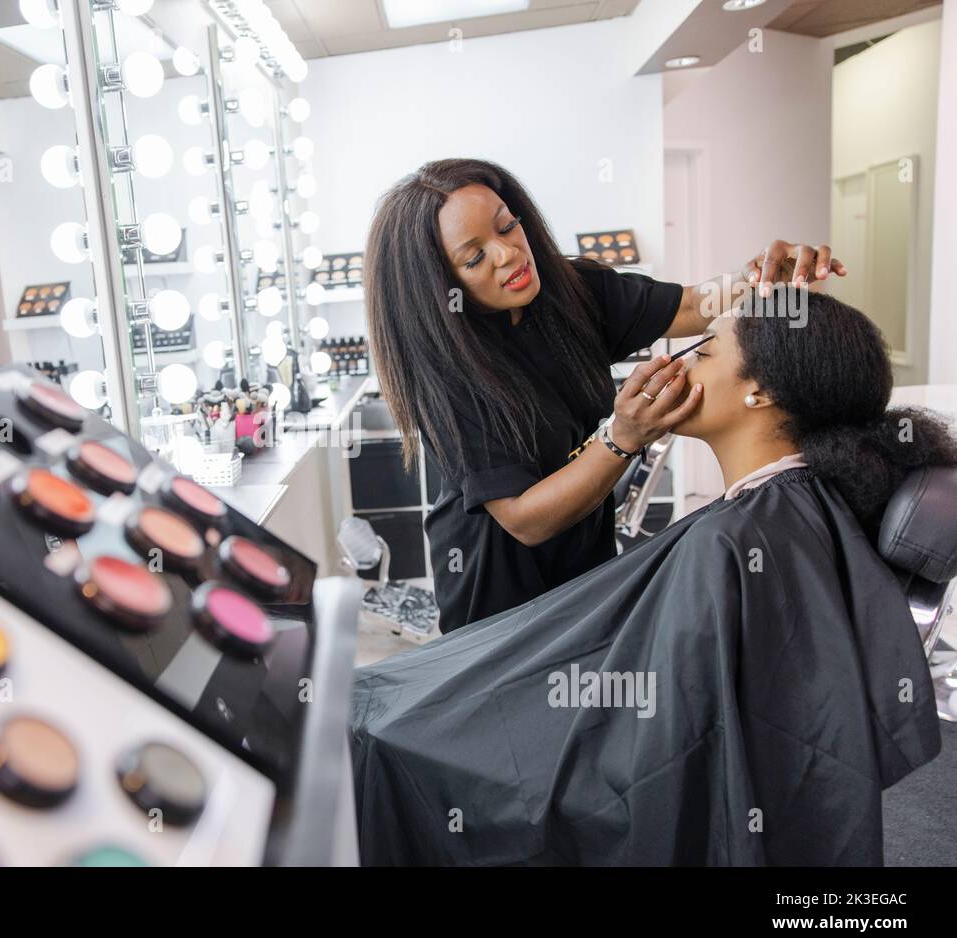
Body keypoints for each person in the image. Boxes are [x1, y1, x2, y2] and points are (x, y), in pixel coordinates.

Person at [350, 288, 955, 865]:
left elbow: (653, 755)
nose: (675, 362)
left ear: (761, 391)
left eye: (705, 350)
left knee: (377, 726)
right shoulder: (792, 513)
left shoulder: (737, 539)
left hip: (603, 769)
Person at [365, 158, 847, 632]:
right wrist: (622, 438)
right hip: (497, 591)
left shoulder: (572, 292)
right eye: (474, 258)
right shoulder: (452, 373)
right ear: (441, 286)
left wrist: (759, 278)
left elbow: (692, 305)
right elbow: (524, 520)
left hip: (586, 554)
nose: (509, 254)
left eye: (508, 226)